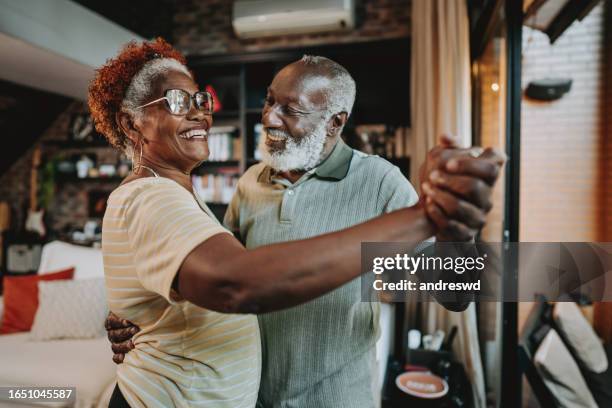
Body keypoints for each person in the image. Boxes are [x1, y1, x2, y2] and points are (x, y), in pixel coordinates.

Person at [96, 38, 503, 408]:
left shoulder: (379, 182)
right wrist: (143, 317)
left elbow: (455, 295)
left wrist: (455, 233)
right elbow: (220, 278)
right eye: (269, 102)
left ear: (335, 122)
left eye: (290, 110)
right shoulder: (250, 183)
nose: (269, 119)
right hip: (254, 398)